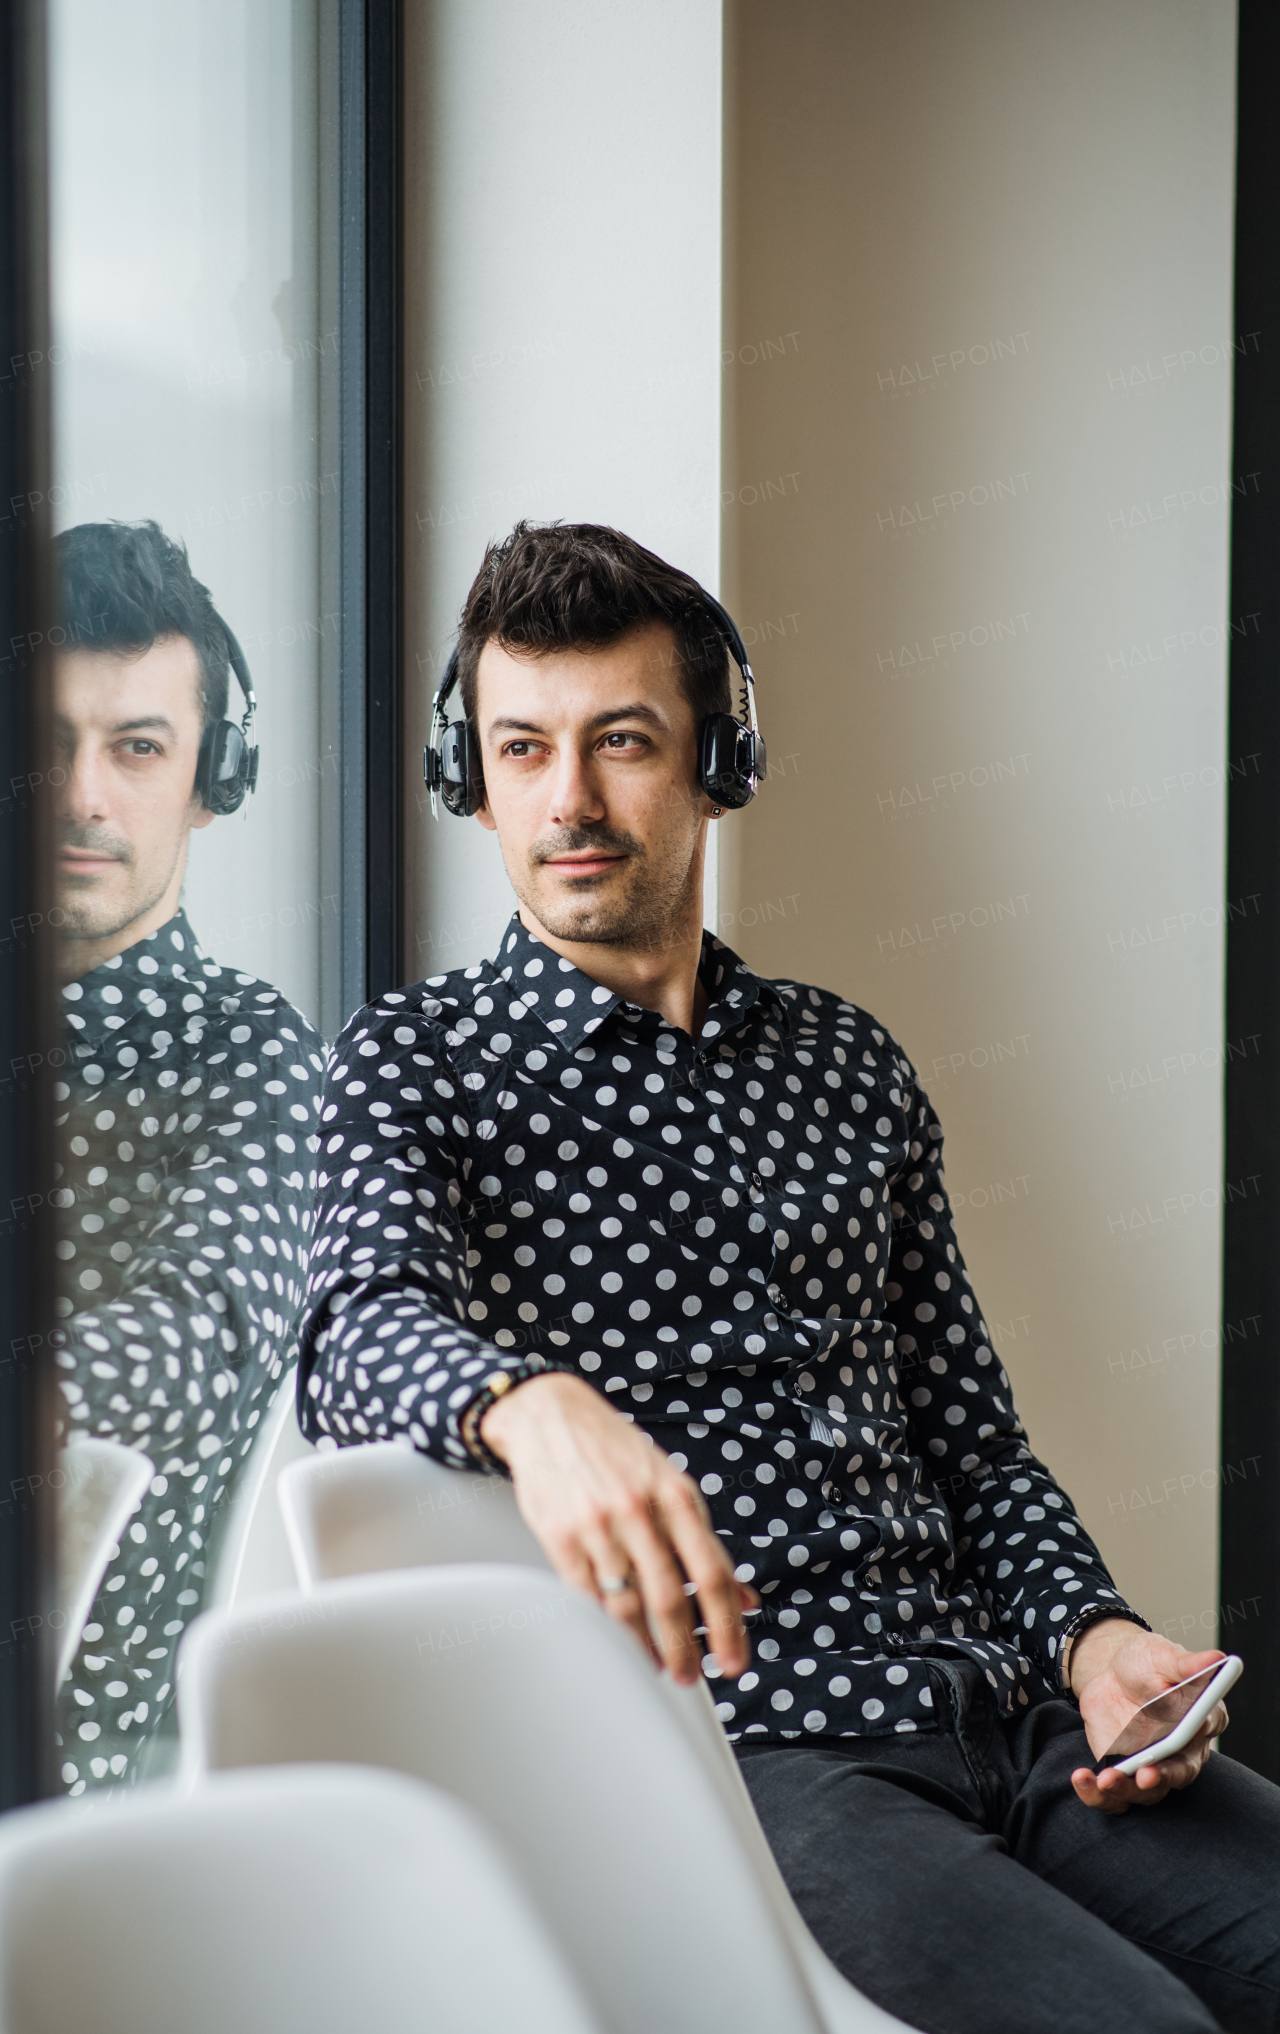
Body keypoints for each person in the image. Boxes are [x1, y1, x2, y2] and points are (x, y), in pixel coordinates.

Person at [297, 521, 1279, 2034]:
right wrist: (533, 1404)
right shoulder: (416, 1066)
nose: (567, 799)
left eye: (621, 741)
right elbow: (353, 1329)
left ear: (716, 759)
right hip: (755, 1764)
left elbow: (972, 1440)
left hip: (1007, 1715)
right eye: (520, 747)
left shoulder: (848, 1062)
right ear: (469, 775)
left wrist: (1091, 1635)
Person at [50, 520, 325, 1794]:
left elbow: (204, 1330)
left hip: (74, 1752)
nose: (80, 796)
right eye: (42, 743)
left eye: (136, 748)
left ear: (215, 777)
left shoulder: (252, 1056)